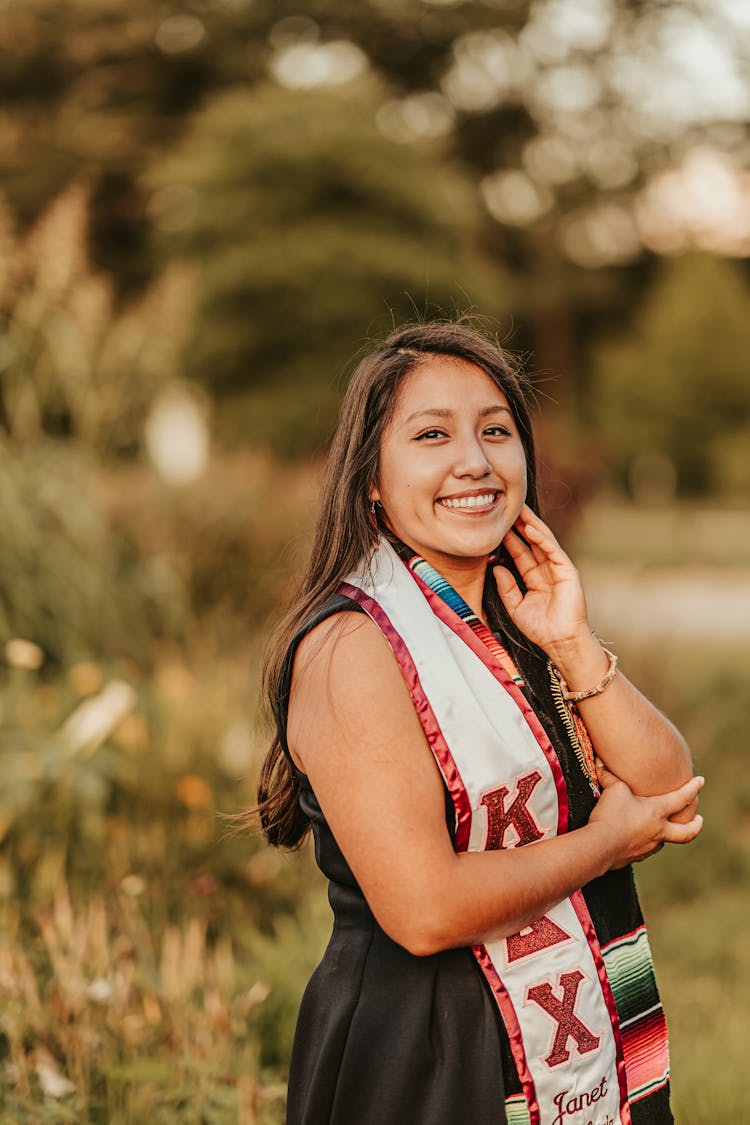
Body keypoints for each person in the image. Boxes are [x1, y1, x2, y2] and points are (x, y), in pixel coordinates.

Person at [258, 322, 703, 1125]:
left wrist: (571, 641)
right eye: (433, 434)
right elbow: (424, 909)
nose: (475, 460)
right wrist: (604, 842)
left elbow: (668, 789)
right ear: (370, 478)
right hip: (433, 1055)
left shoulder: (515, 622)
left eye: (495, 430)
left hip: (578, 1023)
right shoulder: (354, 643)